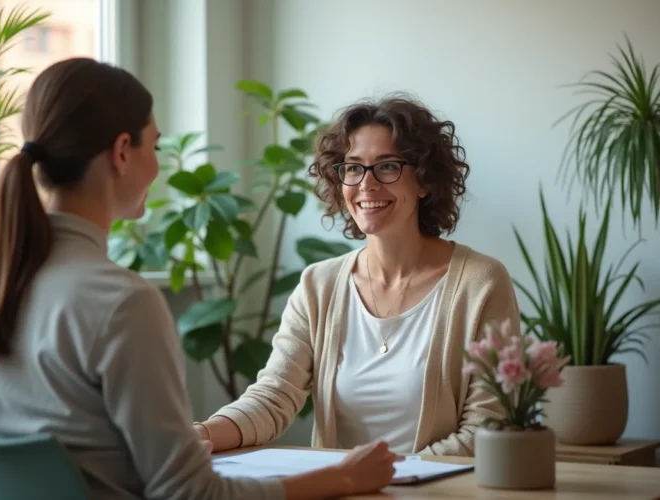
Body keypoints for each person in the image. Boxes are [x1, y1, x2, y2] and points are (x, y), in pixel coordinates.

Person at [0, 57, 401, 500]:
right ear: (122, 152)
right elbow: (190, 493)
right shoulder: (121, 303)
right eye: (156, 146)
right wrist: (341, 479)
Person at [194, 95, 520, 457]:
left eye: (387, 166)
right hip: (341, 485)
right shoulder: (318, 285)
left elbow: (486, 427)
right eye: (353, 168)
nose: (366, 183)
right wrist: (200, 434)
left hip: (436, 485)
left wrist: (388, 476)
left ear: (424, 180)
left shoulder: (481, 283)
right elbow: (273, 397)